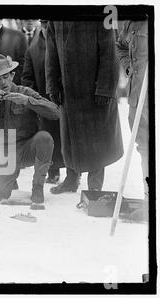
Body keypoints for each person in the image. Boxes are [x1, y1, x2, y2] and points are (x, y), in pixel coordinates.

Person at [0, 52, 60, 204]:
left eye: (5, 76)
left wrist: (28, 101)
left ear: (12, 75)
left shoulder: (24, 92)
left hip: (28, 148)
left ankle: (37, 186)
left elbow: (55, 112)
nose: (2, 82)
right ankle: (10, 177)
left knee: (45, 138)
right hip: (5, 154)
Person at [45, 21, 123, 193]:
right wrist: (52, 86)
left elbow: (110, 52)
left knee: (96, 140)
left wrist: (104, 88)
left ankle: (94, 186)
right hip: (68, 91)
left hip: (94, 91)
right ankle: (72, 180)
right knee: (70, 139)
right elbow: (51, 54)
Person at [21, 19, 64, 184]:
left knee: (66, 137)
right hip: (44, 102)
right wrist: (33, 98)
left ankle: (74, 175)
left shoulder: (61, 40)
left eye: (49, 25)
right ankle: (52, 172)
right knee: (48, 137)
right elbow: (27, 76)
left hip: (63, 100)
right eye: (44, 25)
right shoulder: (33, 48)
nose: (47, 29)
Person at [116, 20, 148, 220]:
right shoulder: (130, 22)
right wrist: (129, 67)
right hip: (137, 99)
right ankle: (149, 202)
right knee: (145, 149)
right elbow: (120, 46)